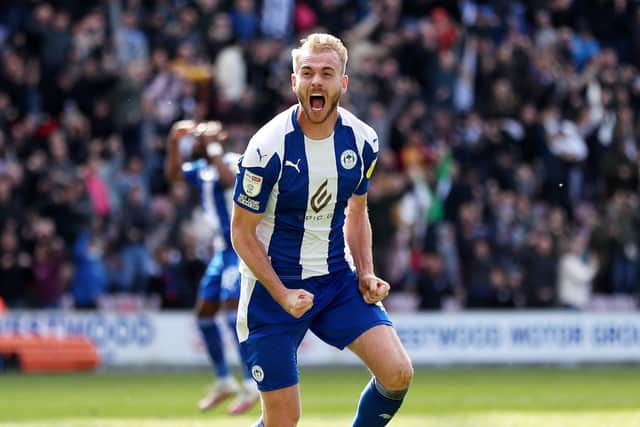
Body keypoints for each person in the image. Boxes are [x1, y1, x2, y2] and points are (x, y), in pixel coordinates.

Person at [231, 33, 413, 427]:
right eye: (307, 72)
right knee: (283, 421)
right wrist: (281, 293)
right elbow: (241, 233)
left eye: (327, 73)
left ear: (342, 84)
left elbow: (357, 211)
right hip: (271, 292)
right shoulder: (267, 148)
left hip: (335, 281)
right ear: (293, 81)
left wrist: (365, 272)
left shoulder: (363, 141)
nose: (316, 81)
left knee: (397, 373)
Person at [164, 120, 259, 414]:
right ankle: (223, 379)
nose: (200, 139)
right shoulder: (201, 170)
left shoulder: (231, 161)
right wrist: (172, 142)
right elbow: (173, 174)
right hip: (221, 251)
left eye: (209, 134)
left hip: (241, 248)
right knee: (204, 313)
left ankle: (251, 383)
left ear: (221, 139)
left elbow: (230, 180)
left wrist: (212, 145)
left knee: (233, 314)